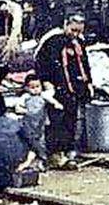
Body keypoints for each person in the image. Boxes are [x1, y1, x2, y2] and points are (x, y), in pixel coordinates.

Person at [35, 14, 93, 169]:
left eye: (78, 31)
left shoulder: (79, 42)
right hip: (57, 87)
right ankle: (55, 154)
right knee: (57, 122)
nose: (75, 34)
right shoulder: (52, 41)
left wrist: (89, 83)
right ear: (65, 25)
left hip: (74, 88)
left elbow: (84, 64)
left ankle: (68, 152)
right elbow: (41, 63)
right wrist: (46, 82)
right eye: (73, 30)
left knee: (71, 121)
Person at [16, 73, 63, 172]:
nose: (35, 89)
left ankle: (42, 159)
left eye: (37, 86)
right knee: (30, 142)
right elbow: (18, 107)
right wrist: (23, 110)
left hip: (41, 123)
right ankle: (32, 160)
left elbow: (51, 100)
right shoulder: (26, 97)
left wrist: (57, 104)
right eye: (32, 87)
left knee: (41, 142)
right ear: (26, 88)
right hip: (29, 123)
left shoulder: (43, 95)